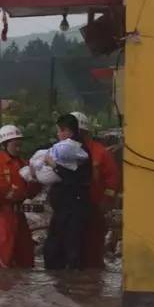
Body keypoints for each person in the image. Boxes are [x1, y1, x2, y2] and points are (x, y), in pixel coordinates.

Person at [0, 125, 42, 269]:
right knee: (4, 254)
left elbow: (30, 192)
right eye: (15, 145)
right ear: (4, 145)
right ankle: (3, 286)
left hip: (19, 213)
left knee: (26, 254)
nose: (18, 148)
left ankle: (21, 288)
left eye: (20, 145)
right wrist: (15, 193)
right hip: (1, 214)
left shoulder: (23, 163)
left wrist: (36, 180)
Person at [71, 111, 120, 270]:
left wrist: (104, 204)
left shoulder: (100, 153)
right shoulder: (64, 150)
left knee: (92, 252)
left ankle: (91, 285)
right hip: (71, 210)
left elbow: (112, 181)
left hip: (93, 208)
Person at [43, 114, 91, 271]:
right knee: (52, 251)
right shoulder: (64, 150)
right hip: (62, 209)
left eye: (59, 131)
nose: (58, 135)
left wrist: (54, 165)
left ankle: (73, 285)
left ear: (68, 132)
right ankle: (61, 287)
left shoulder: (78, 153)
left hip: (73, 209)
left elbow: (72, 178)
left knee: (71, 249)